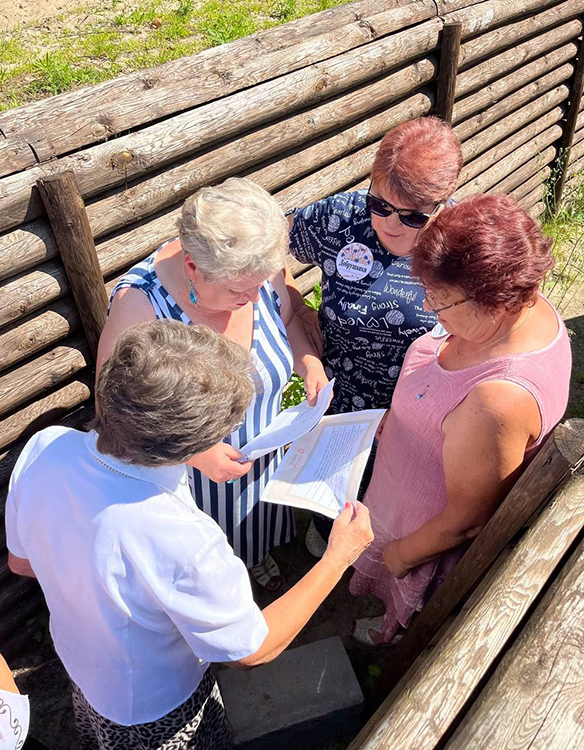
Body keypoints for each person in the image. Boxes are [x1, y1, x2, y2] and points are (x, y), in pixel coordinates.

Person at [6, 320, 373, 750]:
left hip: (83, 668)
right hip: (156, 711)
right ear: (179, 442)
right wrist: (336, 560)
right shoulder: (184, 539)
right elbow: (250, 651)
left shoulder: (46, 446)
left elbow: (22, 563)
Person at [349, 194, 571, 645]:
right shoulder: (523, 303)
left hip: (419, 531)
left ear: (494, 302)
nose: (429, 309)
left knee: (406, 615)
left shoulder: (498, 400)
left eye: (440, 301)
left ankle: (386, 638)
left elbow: (465, 518)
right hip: (404, 483)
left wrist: (399, 556)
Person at [97, 178, 328, 592]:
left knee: (252, 526)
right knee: (202, 568)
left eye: (261, 284)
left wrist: (307, 360)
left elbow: (289, 318)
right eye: (241, 291)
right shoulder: (141, 306)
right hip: (189, 479)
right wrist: (199, 453)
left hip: (261, 456)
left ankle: (251, 556)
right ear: (192, 269)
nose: (257, 300)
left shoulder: (255, 265)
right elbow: (115, 413)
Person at [285, 116, 463, 554]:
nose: (391, 224)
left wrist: (407, 408)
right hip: (339, 398)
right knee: (335, 499)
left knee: (398, 507)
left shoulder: (460, 241)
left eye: (413, 215)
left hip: (419, 407)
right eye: (380, 204)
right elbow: (269, 244)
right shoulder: (342, 218)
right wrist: (295, 303)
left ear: (441, 205)